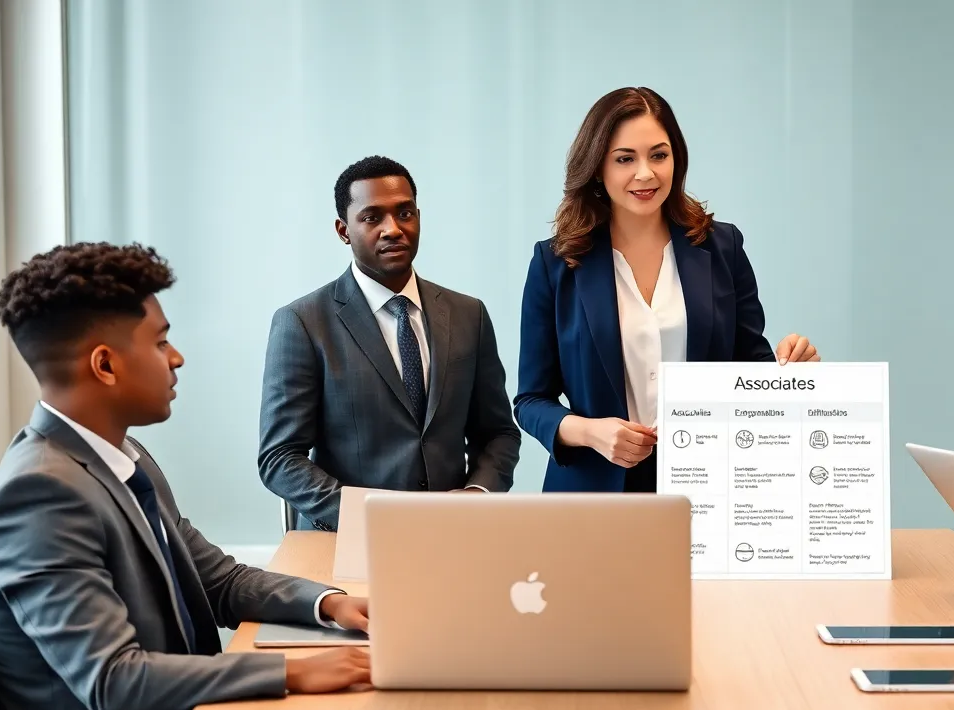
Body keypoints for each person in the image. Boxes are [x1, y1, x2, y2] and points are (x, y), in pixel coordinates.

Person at [0, 243, 372, 710]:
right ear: (105, 364)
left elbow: (218, 581)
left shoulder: (121, 454)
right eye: (161, 342)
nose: (177, 357)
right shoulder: (39, 495)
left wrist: (330, 603)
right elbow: (114, 683)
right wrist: (289, 671)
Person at [514, 86, 820, 493]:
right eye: (625, 159)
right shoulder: (555, 263)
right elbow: (531, 402)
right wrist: (590, 432)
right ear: (598, 169)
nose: (646, 173)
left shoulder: (722, 247)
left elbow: (750, 368)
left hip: (707, 486)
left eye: (659, 155)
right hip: (593, 491)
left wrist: (790, 372)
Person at [259, 156, 522, 530]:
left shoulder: (469, 314)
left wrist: (477, 495)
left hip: (453, 534)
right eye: (372, 217)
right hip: (346, 542)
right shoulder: (303, 322)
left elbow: (497, 433)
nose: (393, 229)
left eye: (405, 213)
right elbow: (280, 457)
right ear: (343, 230)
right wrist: (368, 518)